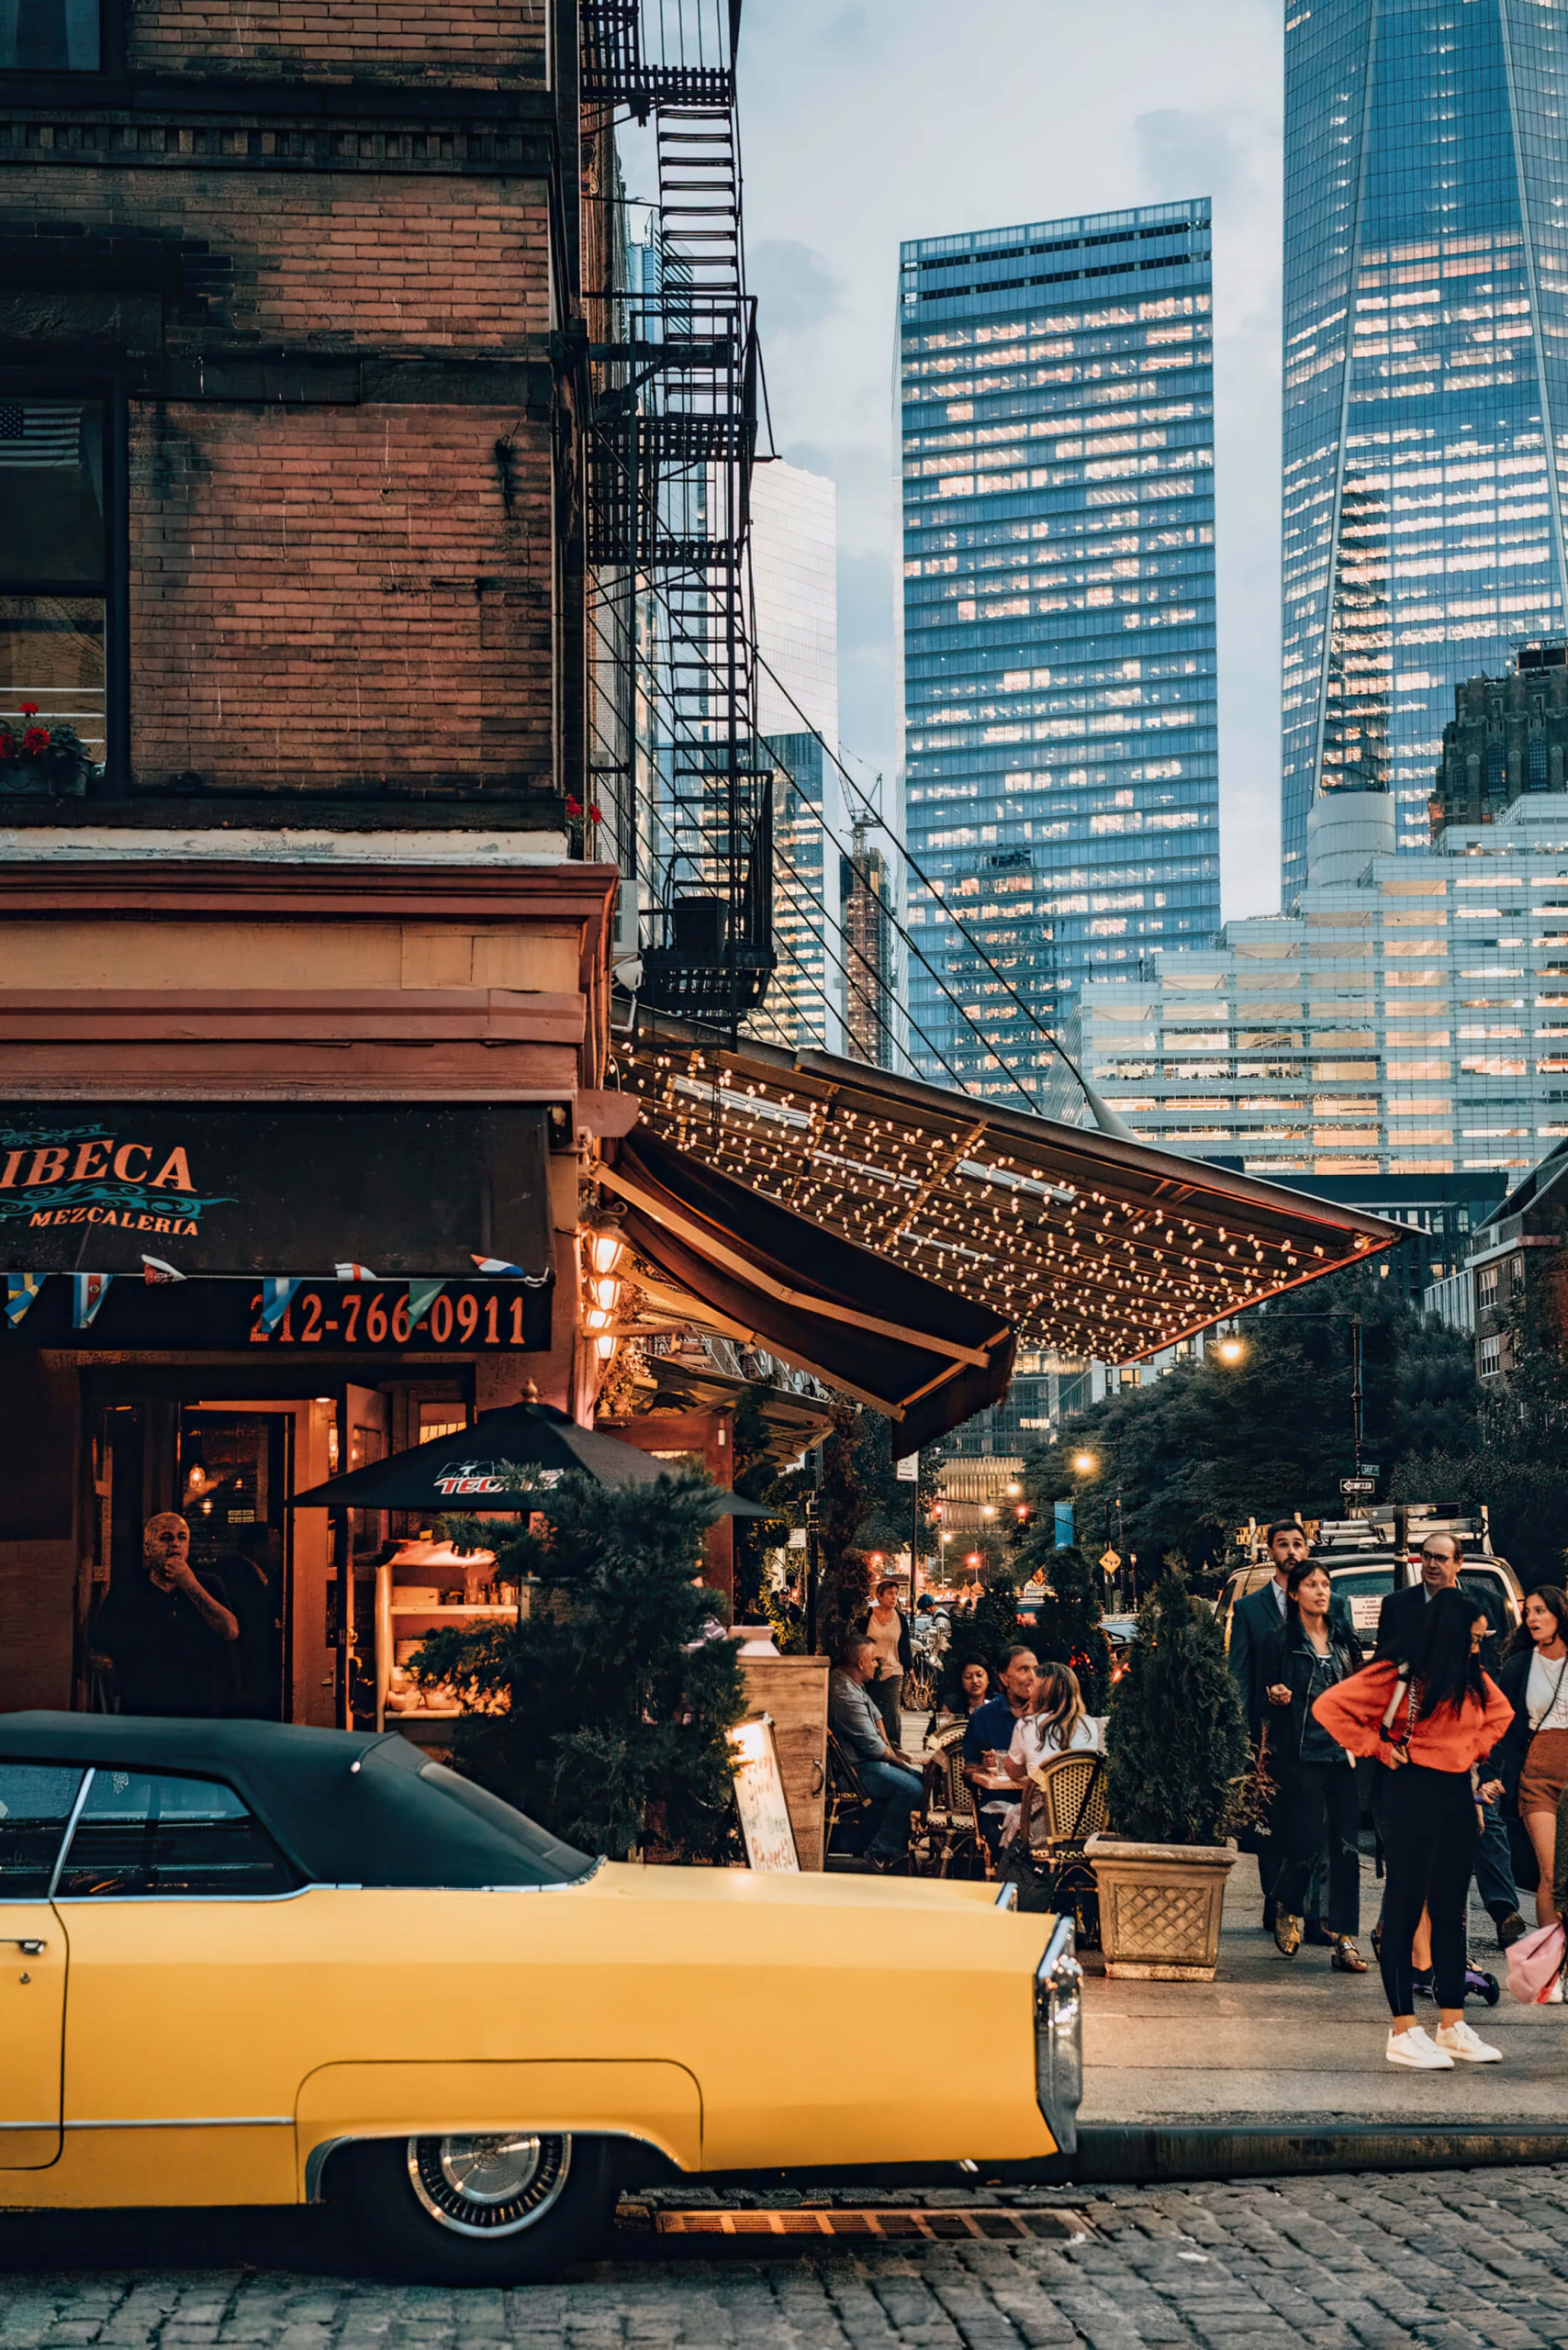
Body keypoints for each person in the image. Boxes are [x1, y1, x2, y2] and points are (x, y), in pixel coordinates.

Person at [1313, 1586, 1515, 2069]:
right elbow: (1329, 1707)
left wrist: (1472, 1752)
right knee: (1404, 1908)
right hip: (1407, 1793)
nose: (1477, 1646)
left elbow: (1502, 1715)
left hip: (1454, 1797)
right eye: (1471, 1638)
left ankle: (1451, 2024)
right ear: (1447, 1634)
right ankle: (1402, 2029)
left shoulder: (1471, 1676)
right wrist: (1378, 1747)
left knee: (1452, 1912)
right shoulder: (1397, 1673)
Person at [1375, 1531, 1525, 1950]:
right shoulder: (1399, 1607)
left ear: (1459, 1562)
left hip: (1470, 1731)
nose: (1432, 1565)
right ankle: (1392, 1925)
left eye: (1441, 1558)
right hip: (1420, 1735)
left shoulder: (1486, 1603)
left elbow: (1494, 1666)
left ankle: (1504, 1912)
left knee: (1485, 1821)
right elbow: (1386, 1669)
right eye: (1426, 1557)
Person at [1228, 1520, 1355, 1929]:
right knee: (1280, 1827)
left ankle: (1323, 1921)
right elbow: (1242, 1676)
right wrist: (1247, 1738)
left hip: (1333, 1745)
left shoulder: (1335, 1610)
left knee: (1333, 1837)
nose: (1291, 1551)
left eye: (1298, 1543)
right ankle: (1278, 1901)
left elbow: (1351, 1671)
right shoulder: (1251, 1609)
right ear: (1270, 1551)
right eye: (1283, 1544)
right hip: (1279, 1738)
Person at [1262, 1560, 1367, 1972]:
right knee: (1305, 1842)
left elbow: (1359, 1687)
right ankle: (1288, 1900)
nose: (1321, 1592)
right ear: (1294, 1593)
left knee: (1345, 1849)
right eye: (1311, 1585)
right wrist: (1275, 1693)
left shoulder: (1343, 1638)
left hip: (1343, 1756)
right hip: (1301, 1754)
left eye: (1325, 1585)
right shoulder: (1281, 1640)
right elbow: (1264, 1689)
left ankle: (1344, 1940)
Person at [90, 1511, 240, 1718]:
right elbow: (101, 1642)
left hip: (199, 1705)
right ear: (148, 1548)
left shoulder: (209, 1584)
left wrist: (189, 1583)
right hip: (144, 1705)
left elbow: (230, 1629)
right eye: (166, 1538)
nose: (175, 1544)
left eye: (182, 1537)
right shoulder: (128, 1588)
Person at [1495, 1584, 1568, 1926]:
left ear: (1558, 1615)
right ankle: (1548, 1967)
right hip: (1538, 1773)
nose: (1532, 1618)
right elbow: (1502, 1726)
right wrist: (1490, 1771)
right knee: (1551, 1874)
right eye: (1528, 1612)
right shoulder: (1519, 1667)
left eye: (1540, 1611)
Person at [827, 1636, 925, 1871]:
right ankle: (881, 1851)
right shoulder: (844, 1694)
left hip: (869, 1763)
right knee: (913, 1787)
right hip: (855, 1770)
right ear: (861, 1662)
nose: (877, 1664)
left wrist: (891, 1749)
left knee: (921, 1780)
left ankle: (898, 1848)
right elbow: (874, 1747)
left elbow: (877, 1714)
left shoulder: (853, 1682)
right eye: (873, 1659)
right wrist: (900, 1762)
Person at [961, 1644, 1038, 1856]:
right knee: (1009, 1842)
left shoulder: (1049, 1715)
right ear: (1004, 1678)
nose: (1032, 1677)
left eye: (1036, 1670)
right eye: (1023, 1670)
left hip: (1043, 1808)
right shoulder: (984, 1717)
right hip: (999, 1806)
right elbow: (967, 1772)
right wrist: (982, 1769)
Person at [212, 1521, 285, 1718]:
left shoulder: (261, 1576)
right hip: (247, 1669)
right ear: (256, 1547)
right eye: (275, 1546)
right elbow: (253, 1626)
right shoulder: (240, 1577)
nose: (280, 1552)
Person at [1003, 1662, 1101, 1780]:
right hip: (1083, 1797)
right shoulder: (1089, 1724)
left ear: (1044, 1692)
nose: (1029, 1689)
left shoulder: (1026, 1724)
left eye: (1032, 1684)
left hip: (1043, 1797)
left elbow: (1013, 1773)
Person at [857, 1578, 914, 1745]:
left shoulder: (900, 1619)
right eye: (890, 1593)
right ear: (879, 1595)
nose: (894, 1597)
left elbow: (904, 1645)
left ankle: (895, 1745)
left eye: (896, 1594)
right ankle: (874, 1744)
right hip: (870, 1670)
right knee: (871, 1708)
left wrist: (910, 1669)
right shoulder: (867, 1616)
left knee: (892, 1709)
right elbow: (859, 1641)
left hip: (894, 1669)